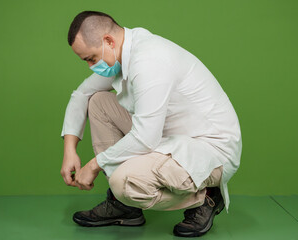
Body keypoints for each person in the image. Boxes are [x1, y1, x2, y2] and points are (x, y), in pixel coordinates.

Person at [60, 10, 242, 237]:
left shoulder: (149, 59)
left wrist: (94, 164)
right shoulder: (121, 53)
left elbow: (146, 138)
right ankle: (125, 207)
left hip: (210, 149)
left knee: (123, 182)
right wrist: (70, 150)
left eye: (91, 58)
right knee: (98, 102)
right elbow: (81, 95)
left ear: (108, 41)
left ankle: (206, 198)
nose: (90, 66)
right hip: (168, 136)